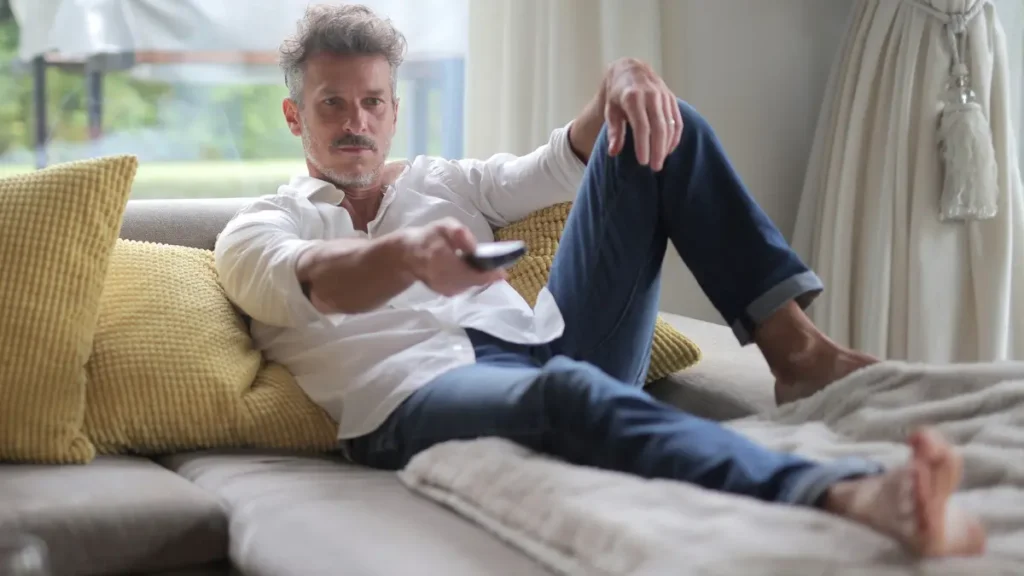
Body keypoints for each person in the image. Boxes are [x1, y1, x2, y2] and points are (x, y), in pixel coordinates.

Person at [214, 4, 986, 558]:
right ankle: (847, 492)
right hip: (411, 398)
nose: (356, 122)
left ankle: (799, 354)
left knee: (657, 126)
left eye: (372, 102)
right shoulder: (260, 226)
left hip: (547, 344)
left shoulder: (446, 180)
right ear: (295, 116)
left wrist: (623, 80)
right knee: (566, 394)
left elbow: (565, 158)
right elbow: (315, 282)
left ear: (393, 109)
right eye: (332, 104)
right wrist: (407, 259)